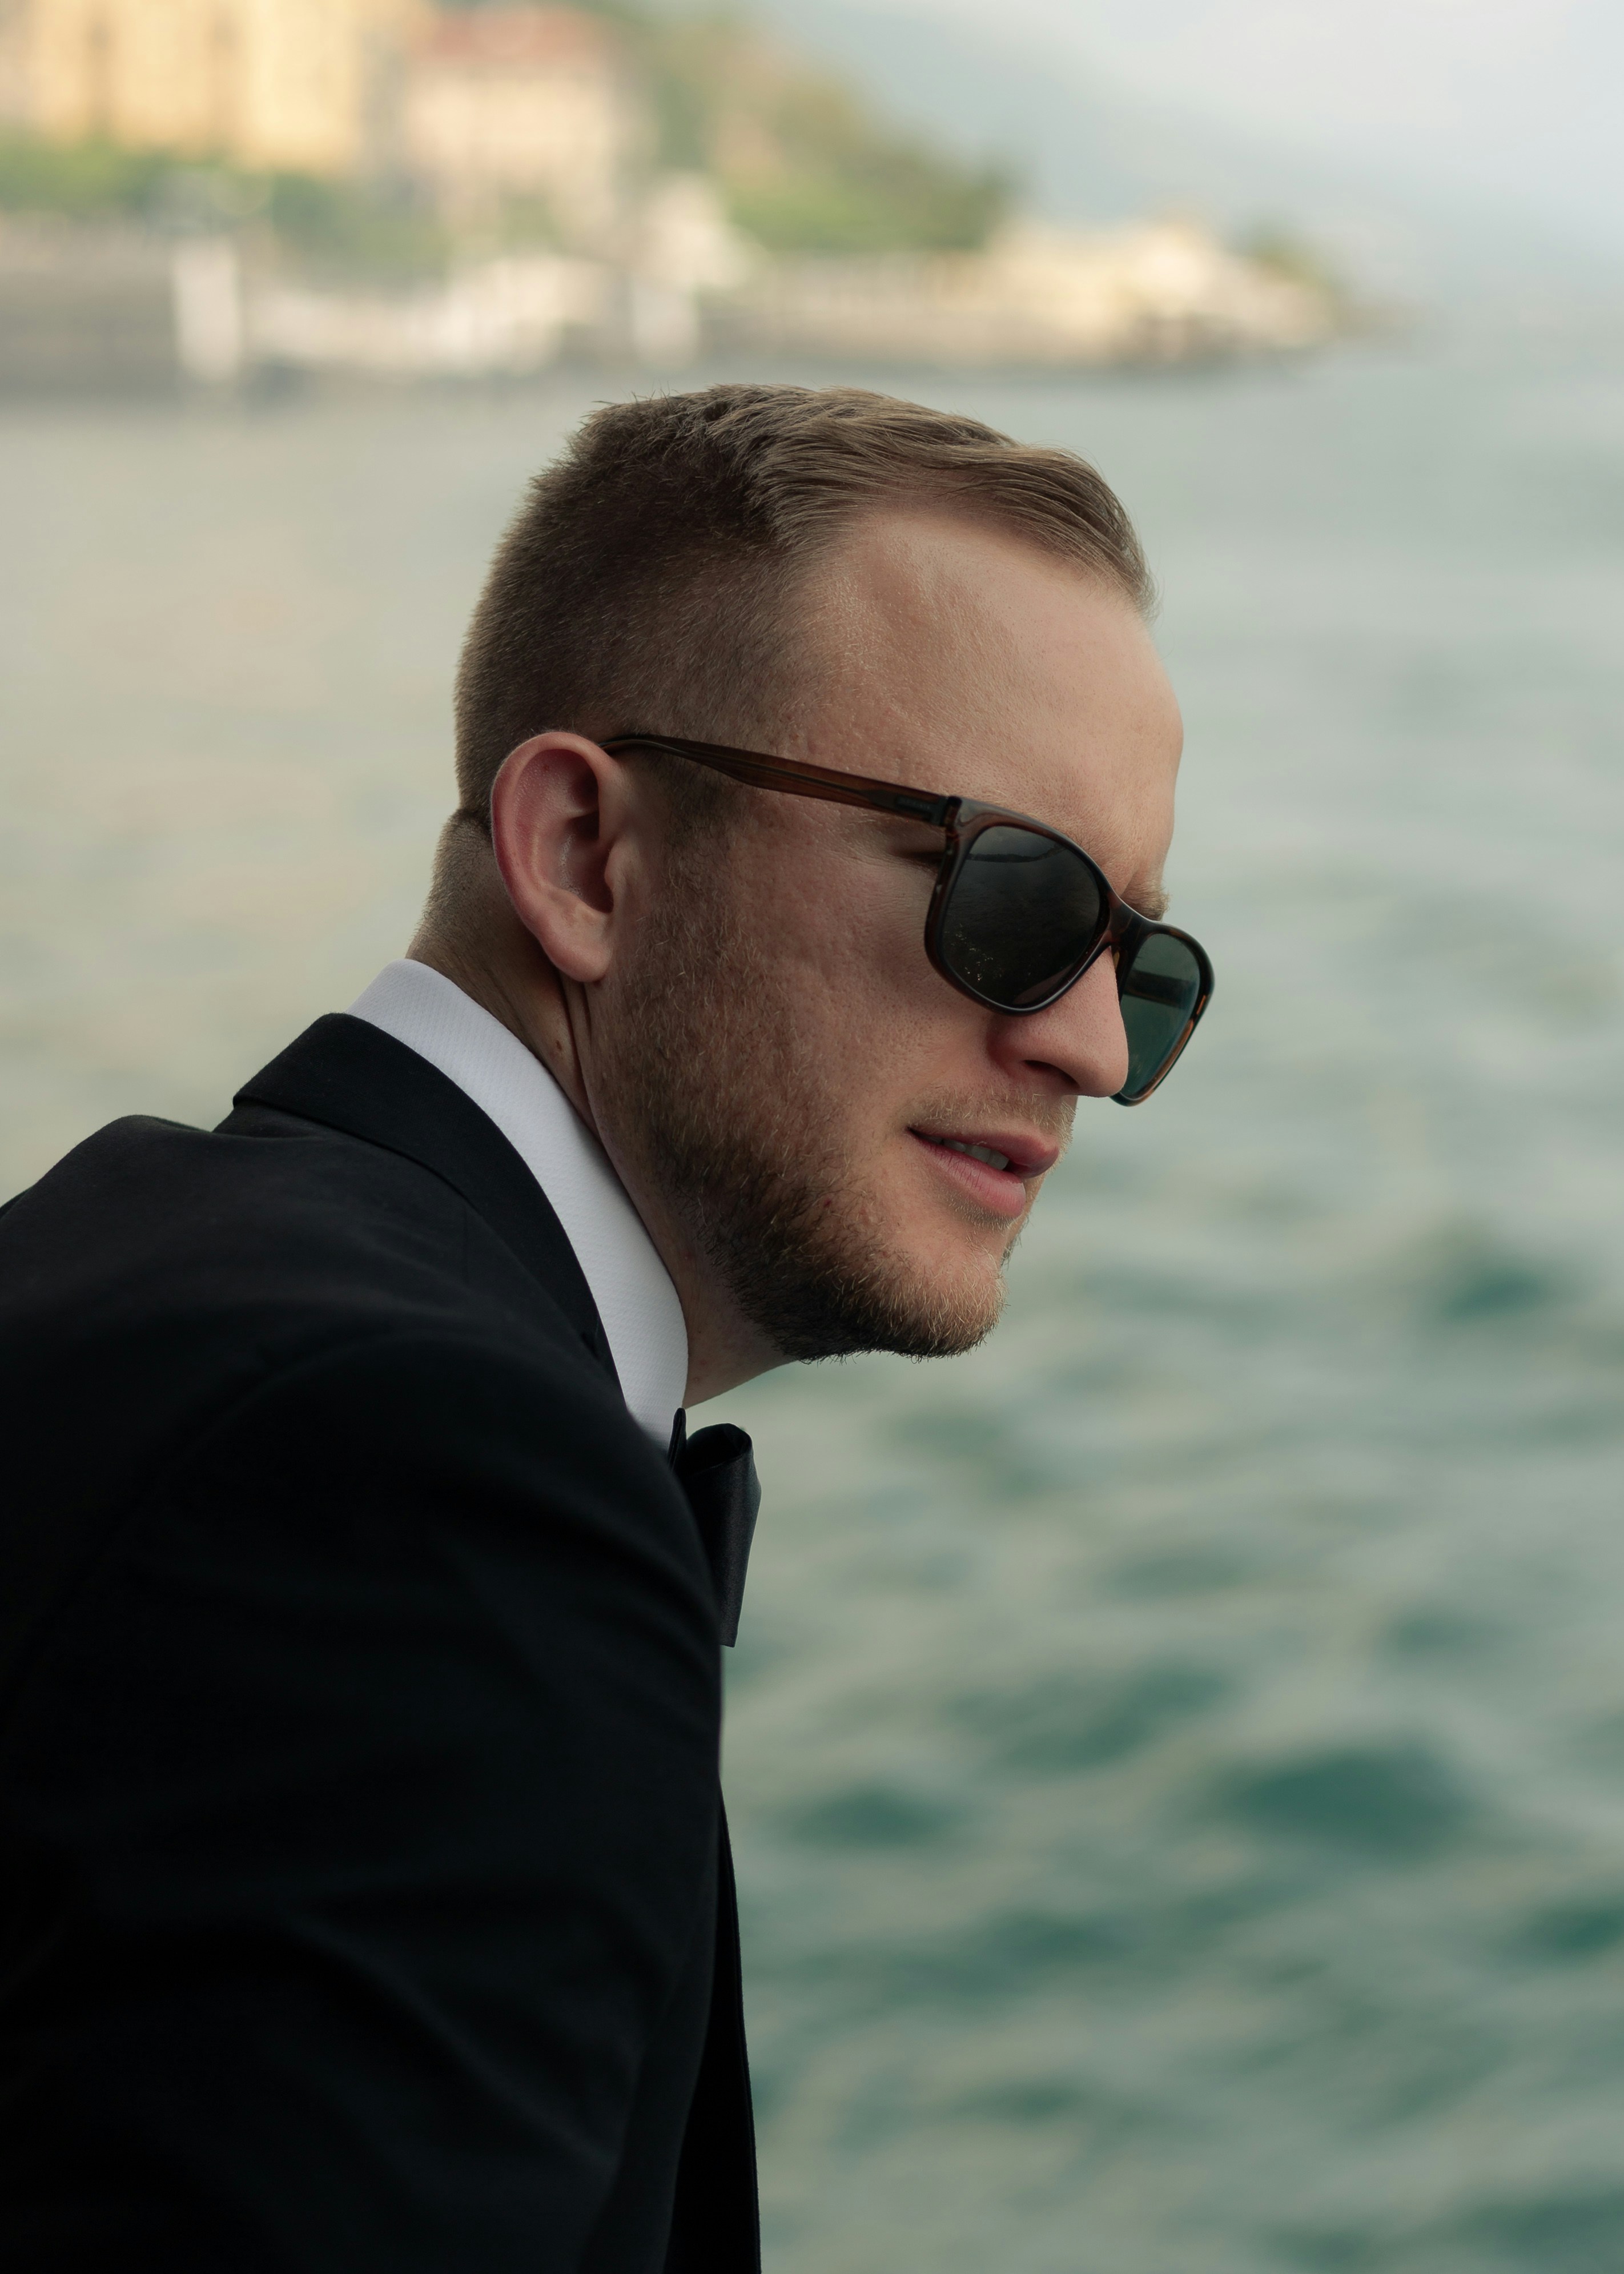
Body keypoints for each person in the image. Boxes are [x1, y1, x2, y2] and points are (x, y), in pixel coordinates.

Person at [0, 385, 1210, 2273]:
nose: (1093, 1047)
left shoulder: (134, 1240)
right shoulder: (425, 1484)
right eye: (1011, 897)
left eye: (1139, 957)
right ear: (581, 853)